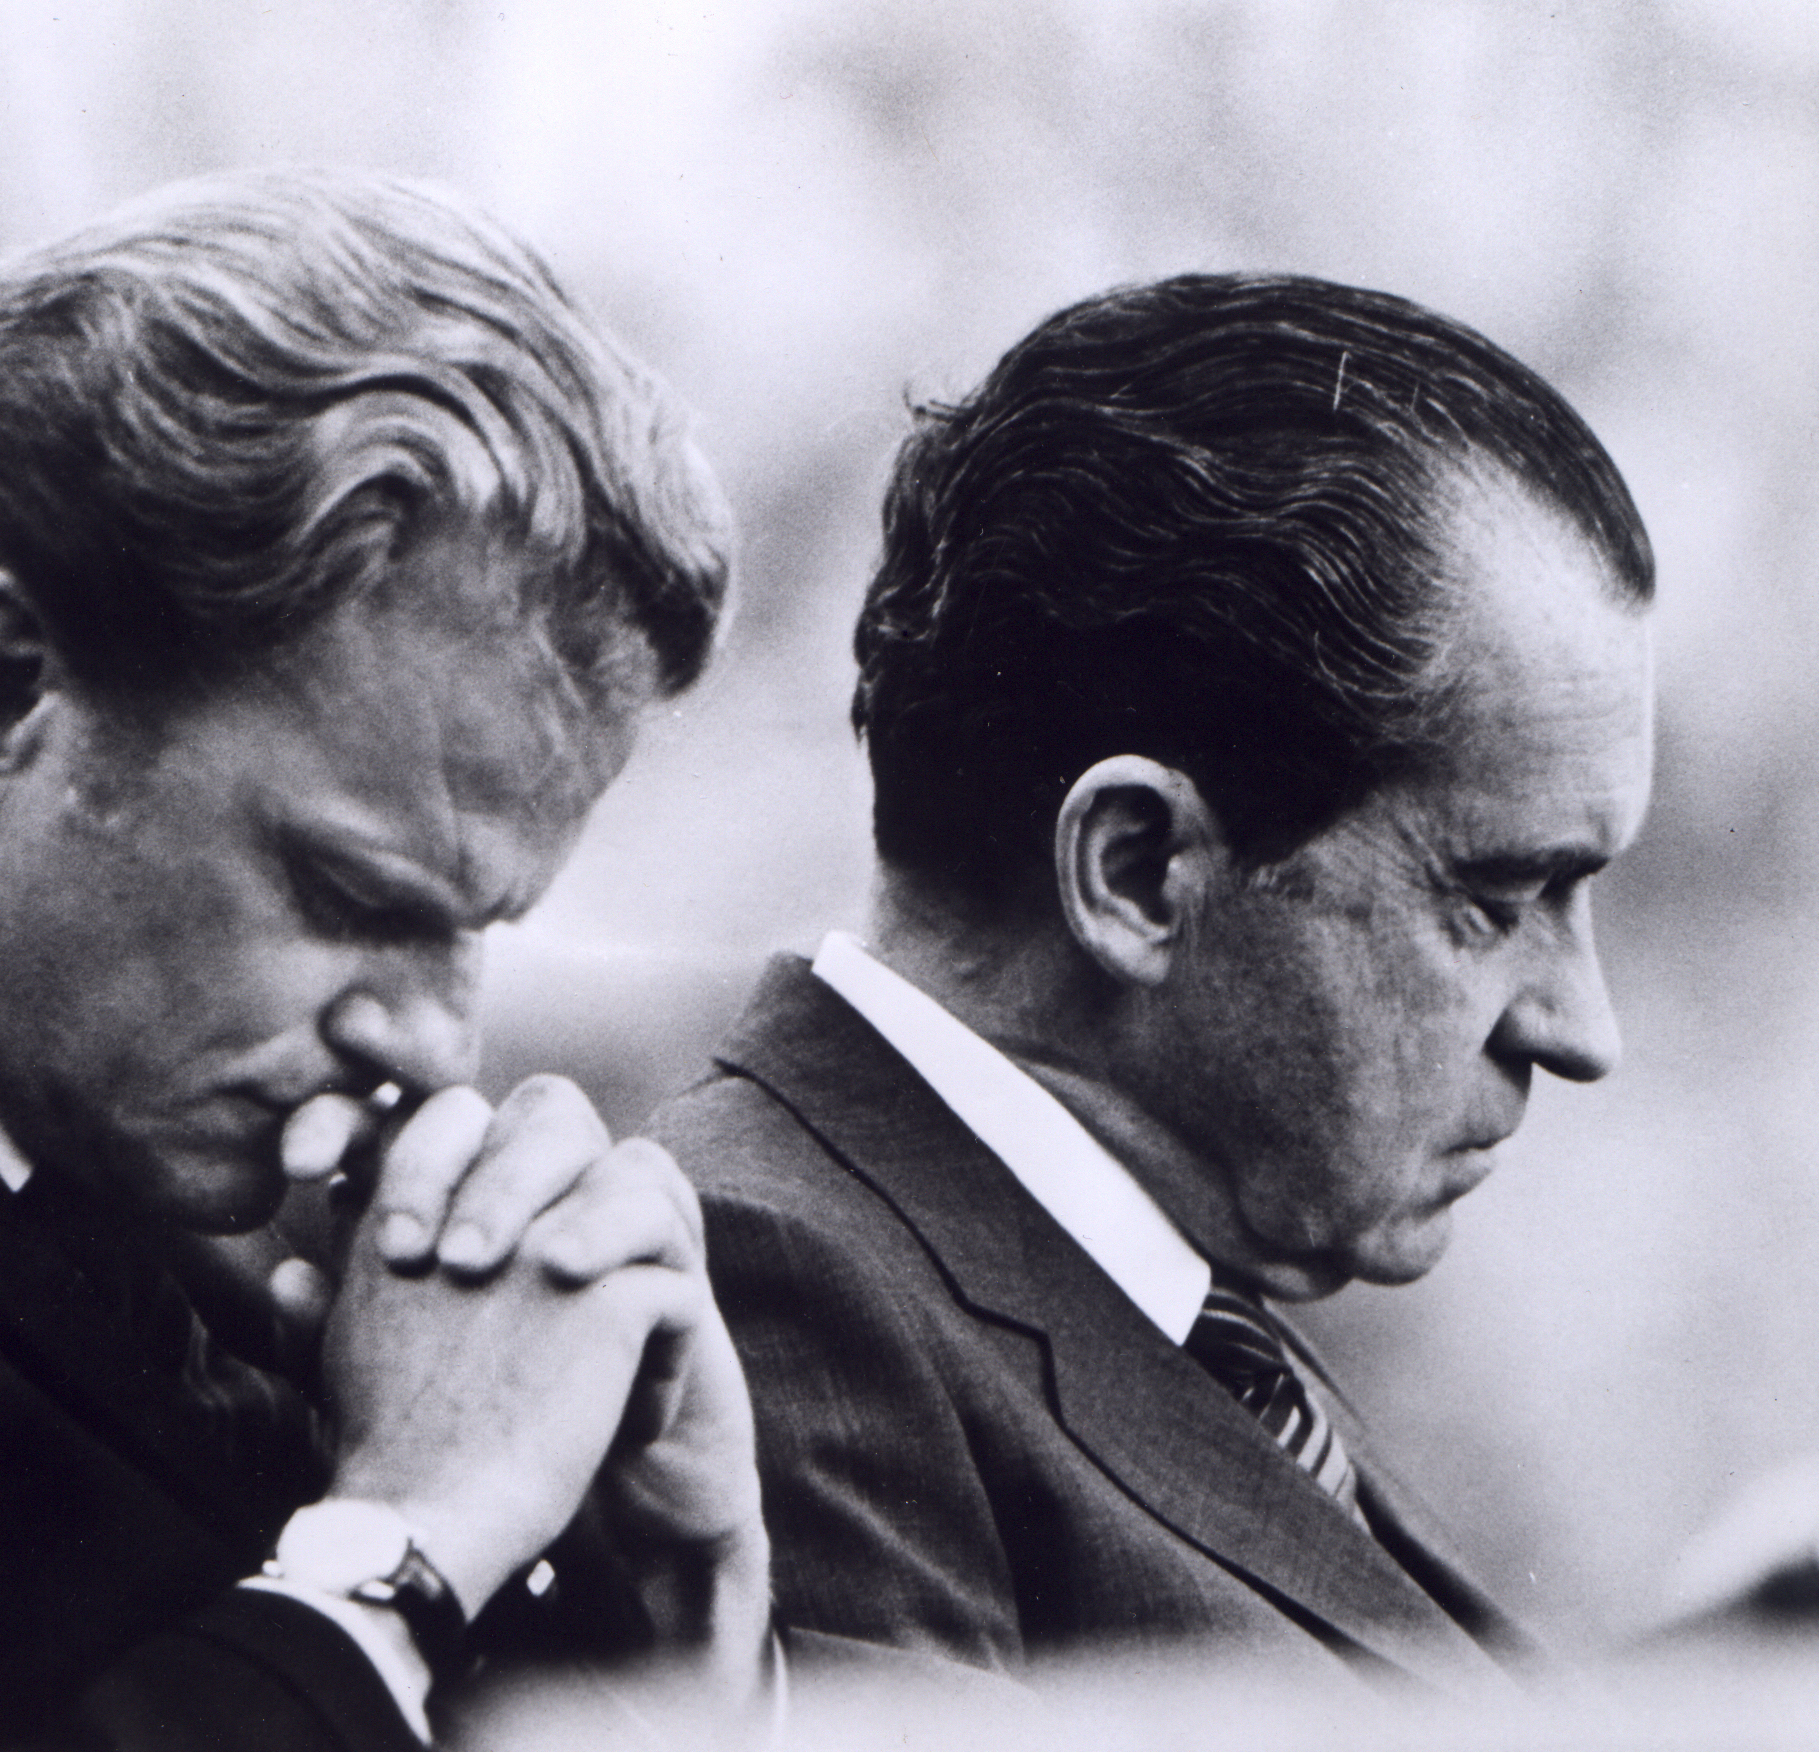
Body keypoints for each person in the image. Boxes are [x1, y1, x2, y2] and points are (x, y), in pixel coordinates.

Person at [0, 167, 770, 1751]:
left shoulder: (118, 1129)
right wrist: (400, 1546)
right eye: (353, 894)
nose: (439, 1045)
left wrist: (669, 1602)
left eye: (474, 934)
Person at [649, 274, 1655, 1694]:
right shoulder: (771, 1298)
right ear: (1135, 874)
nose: (1580, 1032)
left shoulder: (1165, 1301)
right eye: (1493, 901)